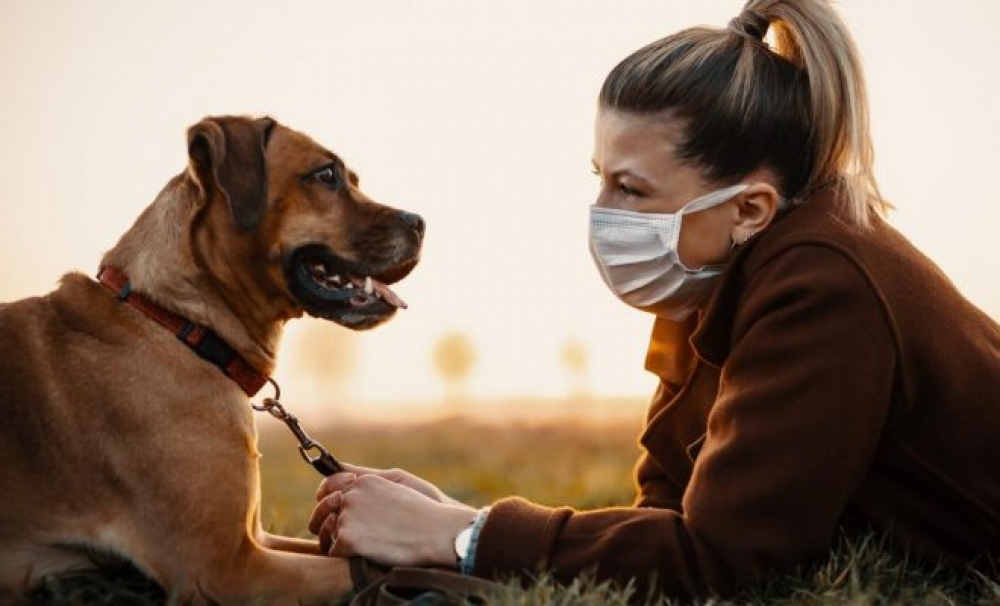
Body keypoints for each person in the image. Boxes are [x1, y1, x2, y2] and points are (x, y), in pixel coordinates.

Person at [307, 0, 1000, 599]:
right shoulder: (707, 278)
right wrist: (452, 521)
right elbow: (667, 506)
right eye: (601, 179)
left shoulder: (823, 285)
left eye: (632, 190)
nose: (603, 213)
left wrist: (464, 535)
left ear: (749, 208)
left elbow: (719, 559)